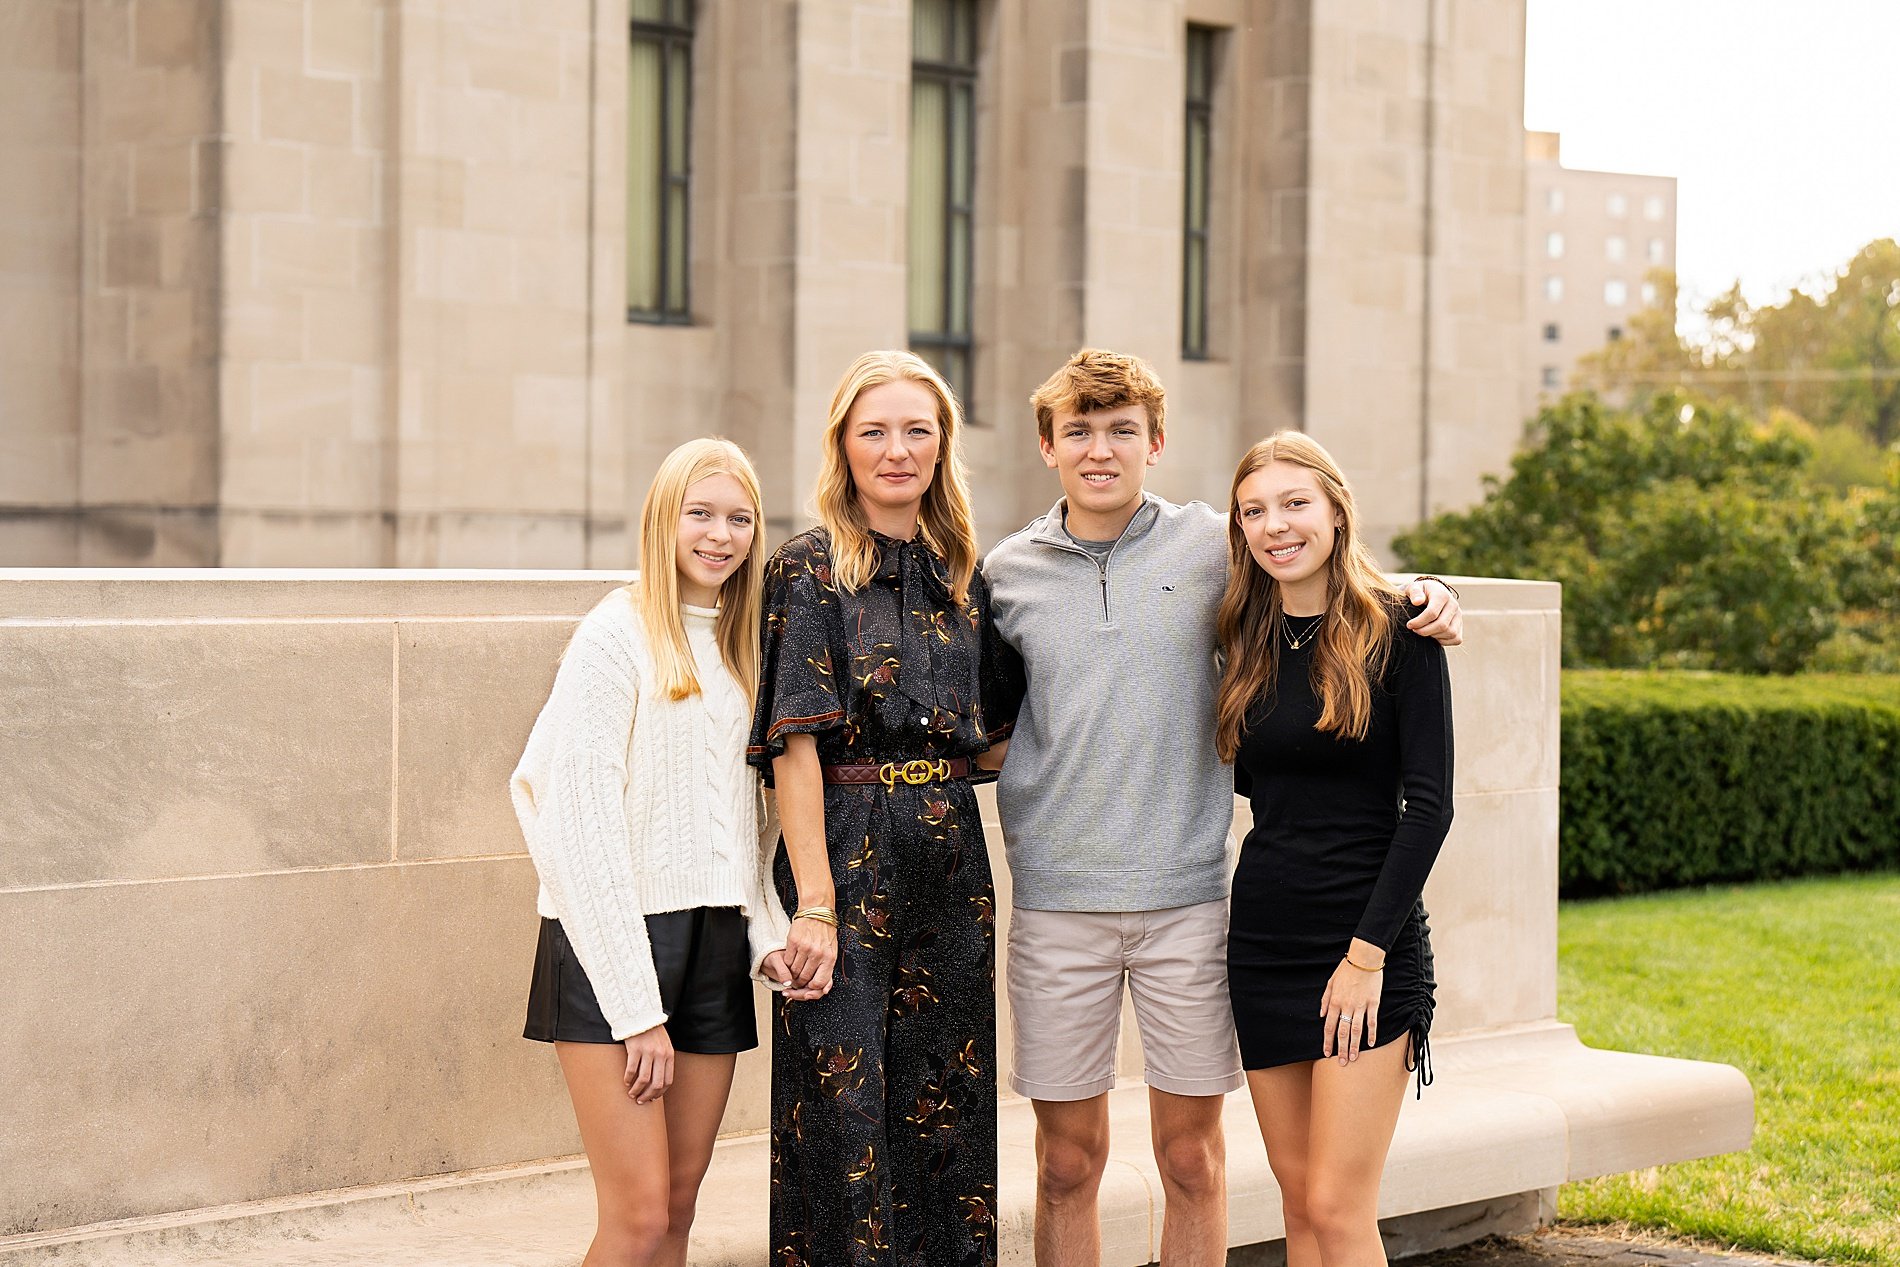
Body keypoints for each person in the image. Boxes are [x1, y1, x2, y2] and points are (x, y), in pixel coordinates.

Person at [982, 349, 1461, 1267]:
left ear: (1156, 442)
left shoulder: (1209, 546)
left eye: (1123, 429)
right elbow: (986, 723)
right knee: (1071, 1164)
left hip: (1196, 906)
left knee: (1205, 1162)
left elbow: (1334, 576)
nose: (1099, 449)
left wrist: (1430, 594)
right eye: (1077, 430)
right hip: (1077, 906)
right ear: (1047, 444)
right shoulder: (1007, 575)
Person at [747, 350, 1020, 1267]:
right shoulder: (807, 566)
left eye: (917, 430)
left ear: (942, 447)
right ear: (844, 446)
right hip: (845, 848)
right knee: (842, 1114)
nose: (897, 450)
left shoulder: (961, 572)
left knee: (950, 1106)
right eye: (875, 431)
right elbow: (794, 745)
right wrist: (813, 902)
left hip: (950, 858)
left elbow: (991, 735)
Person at [510, 438, 795, 1267]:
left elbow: (744, 830)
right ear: (662, 520)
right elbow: (575, 820)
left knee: (676, 1207)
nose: (720, 535)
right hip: (613, 947)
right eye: (699, 513)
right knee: (634, 1217)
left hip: (711, 945)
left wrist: (764, 932)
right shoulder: (615, 634)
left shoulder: (746, 646)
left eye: (739, 518)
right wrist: (637, 1008)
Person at [1219, 431, 1454, 1267]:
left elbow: (1429, 809)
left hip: (1365, 945)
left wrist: (1365, 955)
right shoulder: (1242, 637)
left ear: (1335, 510)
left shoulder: (1402, 630)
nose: (1275, 525)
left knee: (1337, 1203)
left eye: (1294, 503)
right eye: (1254, 510)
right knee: (1295, 1196)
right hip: (1263, 945)